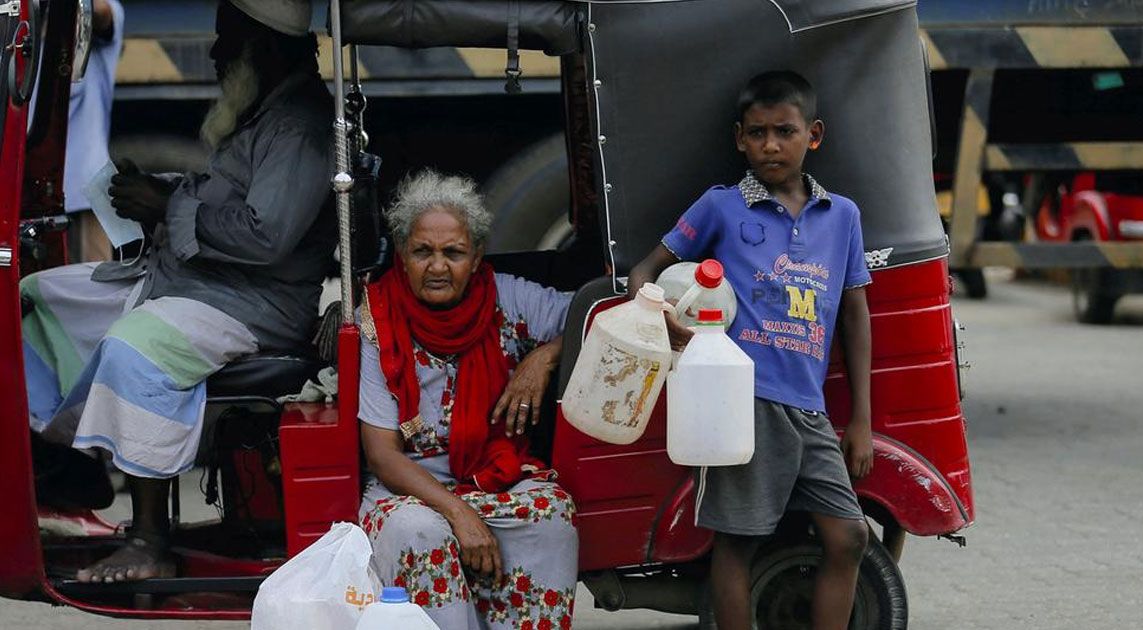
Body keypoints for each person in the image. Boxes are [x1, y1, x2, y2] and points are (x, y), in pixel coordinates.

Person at [21, 0, 334, 582]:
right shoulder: (261, 111)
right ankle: (64, 468)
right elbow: (221, 199)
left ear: (262, 47)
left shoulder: (300, 126)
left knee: (136, 346)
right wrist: (155, 192)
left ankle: (148, 540)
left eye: (225, 42)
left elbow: (266, 236)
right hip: (193, 283)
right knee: (35, 297)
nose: (215, 54)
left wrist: (169, 205)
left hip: (251, 307)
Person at [628, 71, 874, 630]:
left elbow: (855, 314)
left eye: (784, 131)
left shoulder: (843, 217)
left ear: (813, 135)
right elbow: (646, 271)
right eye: (757, 132)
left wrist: (861, 419)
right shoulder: (721, 207)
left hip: (810, 409)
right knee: (737, 543)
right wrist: (662, 319)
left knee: (849, 535)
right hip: (743, 400)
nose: (770, 145)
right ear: (739, 138)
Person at [356, 170, 578, 630]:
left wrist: (544, 357)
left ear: (476, 257)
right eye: (423, 252)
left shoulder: (509, 299)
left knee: (551, 515)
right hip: (408, 492)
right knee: (419, 532)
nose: (438, 267)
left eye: (453, 253)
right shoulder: (377, 319)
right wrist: (459, 514)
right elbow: (382, 456)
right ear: (402, 254)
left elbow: (592, 313)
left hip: (493, 474)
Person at [64, 0, 124, 263]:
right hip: (31, 184)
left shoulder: (98, 11)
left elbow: (101, 14)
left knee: (94, 285)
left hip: (85, 190)